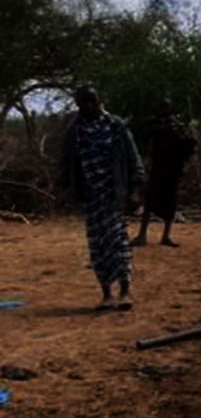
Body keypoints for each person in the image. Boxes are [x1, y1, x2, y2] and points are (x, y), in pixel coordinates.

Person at [57, 85, 144, 311]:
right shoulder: (73, 131)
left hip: (114, 194)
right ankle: (106, 294)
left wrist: (135, 191)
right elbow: (65, 163)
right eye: (83, 102)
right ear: (77, 104)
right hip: (90, 197)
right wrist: (63, 188)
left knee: (118, 242)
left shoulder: (115, 126)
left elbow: (133, 161)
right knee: (97, 246)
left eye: (91, 101)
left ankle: (125, 292)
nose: (87, 106)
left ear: (99, 101)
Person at [131, 97, 197, 248]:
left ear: (171, 109)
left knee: (171, 202)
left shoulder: (178, 126)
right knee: (149, 200)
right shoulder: (154, 124)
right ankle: (142, 235)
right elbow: (142, 136)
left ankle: (166, 236)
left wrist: (191, 142)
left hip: (173, 169)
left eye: (166, 108)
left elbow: (187, 146)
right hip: (158, 167)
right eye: (161, 108)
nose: (163, 111)